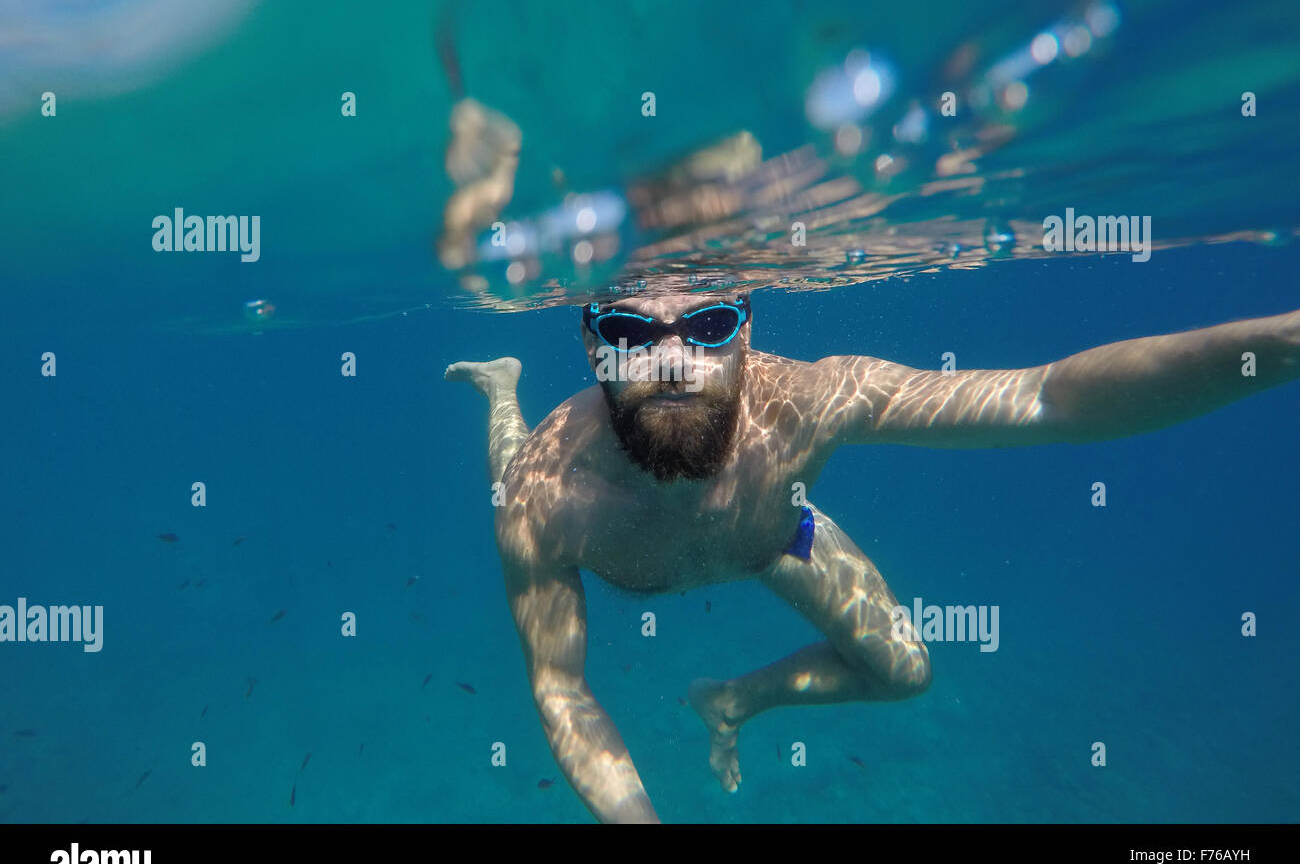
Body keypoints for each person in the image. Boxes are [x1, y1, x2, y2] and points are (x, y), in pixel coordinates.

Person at [446, 292, 1299, 823]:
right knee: (511, 468)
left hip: (775, 536)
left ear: (745, 330)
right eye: (632, 331)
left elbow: (1046, 396)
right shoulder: (547, 496)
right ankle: (501, 387)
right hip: (592, 500)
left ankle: (732, 700)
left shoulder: (812, 400)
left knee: (905, 671)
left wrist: (1280, 343)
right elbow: (560, 688)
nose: (674, 361)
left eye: (707, 324)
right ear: (593, 344)